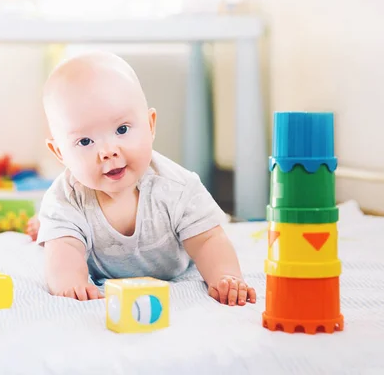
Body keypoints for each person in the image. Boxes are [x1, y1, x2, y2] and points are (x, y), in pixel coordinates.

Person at [28, 51, 256, 306]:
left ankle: (45, 225)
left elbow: (207, 240)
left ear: (150, 125)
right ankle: (47, 225)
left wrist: (225, 277)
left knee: (212, 226)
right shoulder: (66, 198)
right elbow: (64, 253)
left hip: (174, 265)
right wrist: (71, 284)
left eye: (122, 129)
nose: (108, 151)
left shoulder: (177, 188)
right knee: (56, 235)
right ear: (60, 153)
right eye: (85, 141)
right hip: (96, 265)